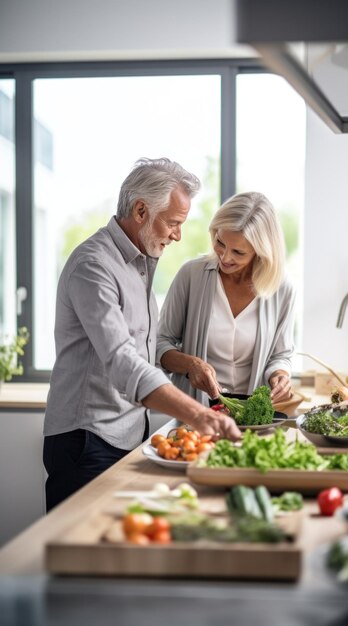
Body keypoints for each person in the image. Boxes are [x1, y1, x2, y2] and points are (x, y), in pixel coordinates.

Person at [43, 157, 240, 511]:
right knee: (81, 555)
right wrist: (199, 414)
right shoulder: (94, 265)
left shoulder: (140, 265)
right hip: (87, 441)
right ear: (140, 211)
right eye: (174, 223)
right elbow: (123, 361)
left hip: (127, 436)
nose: (178, 235)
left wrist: (188, 363)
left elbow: (144, 349)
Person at [156, 191, 296, 406]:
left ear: (261, 252)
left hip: (252, 419)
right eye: (220, 242)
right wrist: (190, 364)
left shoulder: (281, 288)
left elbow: (281, 354)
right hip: (194, 415)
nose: (225, 257)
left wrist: (280, 375)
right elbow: (160, 342)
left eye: (238, 252)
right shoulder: (191, 275)